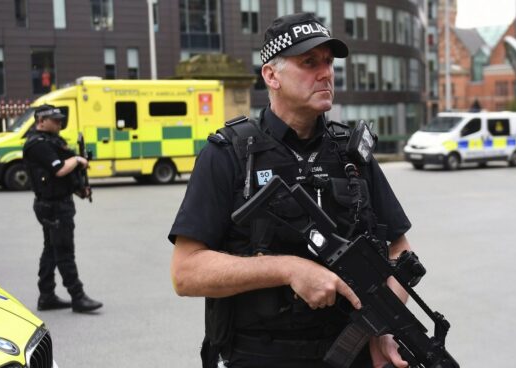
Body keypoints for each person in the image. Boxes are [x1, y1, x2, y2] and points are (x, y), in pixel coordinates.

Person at [169, 12, 412, 368]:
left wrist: (383, 327)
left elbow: (400, 249)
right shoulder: (229, 154)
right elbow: (185, 272)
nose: (325, 72)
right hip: (262, 354)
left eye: (328, 62)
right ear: (272, 75)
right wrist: (288, 269)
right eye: (308, 62)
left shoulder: (352, 153)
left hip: (351, 351)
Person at [23, 104, 103, 313]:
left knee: (51, 250)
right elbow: (59, 170)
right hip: (53, 206)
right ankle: (78, 296)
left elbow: (62, 177)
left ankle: (46, 295)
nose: (60, 123)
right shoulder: (37, 144)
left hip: (57, 202)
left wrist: (79, 189)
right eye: (55, 120)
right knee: (64, 251)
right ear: (41, 120)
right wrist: (77, 160)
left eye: (60, 119)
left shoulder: (52, 142)